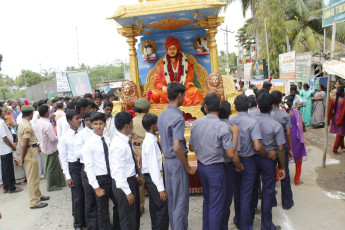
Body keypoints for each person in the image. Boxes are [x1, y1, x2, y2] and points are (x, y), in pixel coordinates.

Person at [189, 93, 242, 230]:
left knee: (208, 201)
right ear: (219, 106)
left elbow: (191, 147)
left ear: (205, 107)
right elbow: (230, 154)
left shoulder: (196, 123)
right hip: (215, 169)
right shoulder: (222, 126)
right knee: (216, 205)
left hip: (202, 167)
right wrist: (235, 134)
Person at [157, 82, 196, 230]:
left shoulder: (162, 116)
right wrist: (188, 167)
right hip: (178, 162)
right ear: (179, 95)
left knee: (173, 201)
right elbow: (177, 147)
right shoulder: (178, 118)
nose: (184, 98)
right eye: (184, 95)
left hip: (168, 162)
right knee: (180, 202)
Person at [229, 95, 270, 230]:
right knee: (246, 193)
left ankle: (237, 219)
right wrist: (267, 153)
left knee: (237, 192)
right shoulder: (252, 122)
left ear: (234, 107)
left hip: (233, 160)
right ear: (249, 106)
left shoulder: (230, 121)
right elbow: (257, 146)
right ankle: (245, 225)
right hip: (248, 160)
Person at [251, 93, 286, 230]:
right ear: (272, 106)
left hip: (252, 158)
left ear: (258, 104)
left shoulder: (252, 120)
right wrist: (282, 167)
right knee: (268, 191)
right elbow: (281, 148)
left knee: (252, 189)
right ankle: (266, 225)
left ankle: (249, 218)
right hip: (269, 159)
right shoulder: (275, 125)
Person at [82, 112, 120, 230]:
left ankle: (116, 227)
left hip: (111, 176)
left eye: (101, 124)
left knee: (118, 203)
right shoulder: (88, 144)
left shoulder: (108, 139)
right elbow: (89, 167)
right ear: (91, 125)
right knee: (103, 211)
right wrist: (96, 187)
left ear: (105, 124)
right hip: (100, 179)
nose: (98, 126)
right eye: (95, 124)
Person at [110, 111, 142, 230]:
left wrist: (135, 175)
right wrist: (127, 192)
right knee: (128, 218)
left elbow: (128, 163)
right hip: (124, 184)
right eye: (132, 123)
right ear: (127, 125)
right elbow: (117, 172)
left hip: (130, 179)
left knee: (133, 216)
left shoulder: (124, 140)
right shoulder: (118, 144)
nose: (133, 125)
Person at [149, 36, 202, 106]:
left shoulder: (186, 63)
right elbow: (157, 80)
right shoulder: (161, 65)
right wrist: (162, 87)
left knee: (195, 91)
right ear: (167, 50)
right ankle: (170, 101)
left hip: (182, 92)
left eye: (174, 48)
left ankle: (170, 102)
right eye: (170, 49)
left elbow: (189, 78)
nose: (172, 51)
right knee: (154, 94)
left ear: (177, 49)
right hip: (167, 92)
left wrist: (181, 88)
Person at [57, 109, 85, 229]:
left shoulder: (82, 134)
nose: (79, 121)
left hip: (83, 166)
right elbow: (63, 158)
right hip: (74, 167)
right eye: (76, 119)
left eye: (80, 118)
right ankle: (78, 223)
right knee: (78, 196)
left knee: (86, 195)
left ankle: (86, 221)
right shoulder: (64, 138)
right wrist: (67, 176)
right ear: (69, 121)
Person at [17, 105, 49, 209]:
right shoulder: (26, 126)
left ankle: (38, 195)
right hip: (29, 151)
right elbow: (24, 144)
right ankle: (34, 201)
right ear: (31, 113)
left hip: (31, 150)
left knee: (35, 176)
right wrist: (21, 158)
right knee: (32, 178)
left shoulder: (24, 123)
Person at [141, 113, 169, 230]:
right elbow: (154, 168)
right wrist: (161, 189)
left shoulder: (149, 139)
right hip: (153, 178)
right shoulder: (151, 142)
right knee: (162, 207)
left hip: (151, 177)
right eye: (157, 123)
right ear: (153, 125)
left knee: (154, 206)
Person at [74, 111, 98, 229]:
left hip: (100, 168)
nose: (89, 123)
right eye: (87, 121)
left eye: (91, 120)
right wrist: (88, 150)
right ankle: (91, 226)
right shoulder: (81, 135)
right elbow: (77, 153)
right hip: (87, 168)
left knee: (101, 198)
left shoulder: (100, 133)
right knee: (90, 199)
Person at [270, 91, 294, 210]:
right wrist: (290, 148)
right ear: (280, 101)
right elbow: (288, 133)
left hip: (270, 147)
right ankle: (287, 202)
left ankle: (272, 201)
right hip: (282, 146)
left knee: (270, 175)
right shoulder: (284, 115)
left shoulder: (267, 114)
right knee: (285, 172)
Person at [35, 105, 66, 191]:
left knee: (52, 166)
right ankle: (51, 185)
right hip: (50, 148)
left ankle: (59, 182)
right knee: (51, 167)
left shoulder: (39, 122)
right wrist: (59, 137)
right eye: (49, 111)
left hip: (44, 147)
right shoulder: (47, 124)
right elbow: (52, 139)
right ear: (46, 113)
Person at [131, 98, 151, 215]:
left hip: (137, 149)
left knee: (140, 182)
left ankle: (140, 207)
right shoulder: (150, 119)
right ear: (146, 108)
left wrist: (137, 154)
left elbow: (129, 141)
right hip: (149, 150)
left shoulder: (132, 121)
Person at [283, 96, 307, 185]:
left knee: (282, 161)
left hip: (286, 138)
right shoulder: (297, 112)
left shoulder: (283, 112)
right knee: (298, 160)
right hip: (297, 138)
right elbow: (301, 126)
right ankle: (297, 180)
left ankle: (276, 178)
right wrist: (303, 139)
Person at [0, 107, 23, 193]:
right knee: (8, 169)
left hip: (3, 150)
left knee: (5, 168)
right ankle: (11, 187)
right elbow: (4, 138)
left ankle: (6, 186)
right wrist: (13, 147)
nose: (4, 112)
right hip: (5, 149)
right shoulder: (1, 123)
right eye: (3, 111)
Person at [328, 87, 345, 154]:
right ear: (342, 93)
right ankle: (335, 149)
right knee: (339, 134)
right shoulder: (343, 101)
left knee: (341, 133)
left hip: (335, 117)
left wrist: (329, 117)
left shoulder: (333, 100)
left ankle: (342, 146)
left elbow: (330, 110)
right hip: (341, 118)